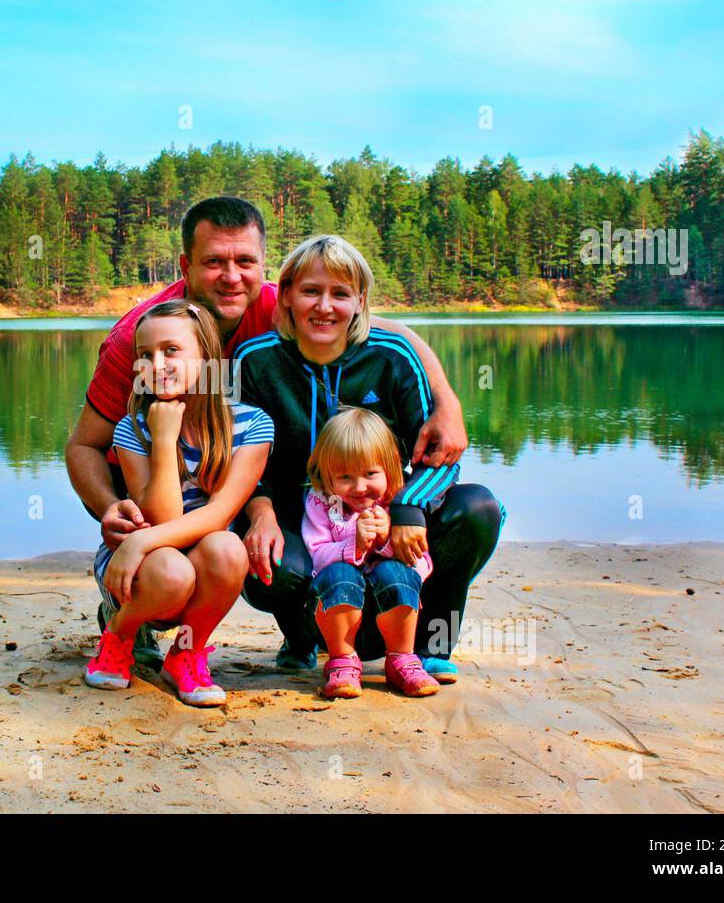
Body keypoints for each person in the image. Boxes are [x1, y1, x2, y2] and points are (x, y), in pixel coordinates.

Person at [65, 195, 485, 668]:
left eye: (245, 261)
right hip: (152, 472)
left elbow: (385, 328)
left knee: (473, 509)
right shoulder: (141, 337)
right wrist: (111, 513)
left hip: (228, 476)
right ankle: (134, 611)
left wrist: (446, 401)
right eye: (213, 262)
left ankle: (352, 638)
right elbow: (83, 445)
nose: (231, 276)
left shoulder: (275, 303)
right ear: (186, 265)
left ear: (264, 270)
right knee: (179, 503)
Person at [234, 234, 504, 677]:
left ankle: (431, 642)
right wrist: (260, 515)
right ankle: (304, 639)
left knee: (477, 508)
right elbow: (239, 457)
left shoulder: (391, 356)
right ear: (285, 295)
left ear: (360, 301)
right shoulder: (255, 361)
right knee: (277, 565)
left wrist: (407, 508)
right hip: (301, 519)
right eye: (311, 291)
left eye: (340, 294)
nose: (325, 307)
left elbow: (439, 456)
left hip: (385, 507)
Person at [84, 299, 273, 706]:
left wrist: (138, 542)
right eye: (145, 355)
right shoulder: (133, 428)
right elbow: (161, 517)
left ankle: (186, 654)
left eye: (171, 350)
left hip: (175, 554)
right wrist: (165, 438)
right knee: (172, 570)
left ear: (206, 357)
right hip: (143, 570)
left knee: (227, 546)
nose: (157, 363)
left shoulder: (253, 424)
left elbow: (220, 514)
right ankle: (119, 633)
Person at [301, 407, 440, 699]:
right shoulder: (321, 502)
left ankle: (402, 657)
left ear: (389, 468)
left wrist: (387, 540)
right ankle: (342, 660)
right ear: (327, 476)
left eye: (370, 473)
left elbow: (422, 565)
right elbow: (316, 555)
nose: (359, 487)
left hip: (390, 616)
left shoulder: (399, 503)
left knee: (396, 573)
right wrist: (354, 544)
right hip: (340, 613)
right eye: (345, 476)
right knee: (337, 573)